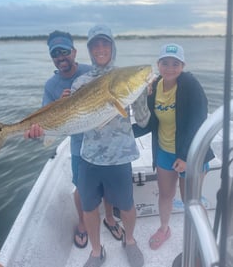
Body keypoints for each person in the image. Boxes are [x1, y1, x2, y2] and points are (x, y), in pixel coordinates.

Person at [25, 30, 124, 249]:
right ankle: (82, 222)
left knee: (107, 187)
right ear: (52, 57)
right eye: (55, 53)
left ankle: (109, 218)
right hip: (78, 145)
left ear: (74, 52)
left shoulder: (92, 73)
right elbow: (45, 121)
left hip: (101, 143)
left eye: (65, 51)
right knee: (81, 187)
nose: (61, 57)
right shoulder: (51, 85)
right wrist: (39, 129)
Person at [71, 25, 149, 267]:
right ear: (90, 49)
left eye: (105, 44)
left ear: (112, 47)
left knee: (126, 206)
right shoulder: (81, 82)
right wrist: (44, 129)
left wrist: (141, 96)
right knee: (89, 208)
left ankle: (130, 241)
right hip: (90, 158)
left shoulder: (125, 77)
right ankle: (96, 251)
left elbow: (144, 120)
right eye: (95, 45)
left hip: (120, 156)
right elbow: (74, 122)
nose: (100, 49)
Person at [133, 43, 214, 250]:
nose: (170, 68)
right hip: (164, 151)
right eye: (165, 63)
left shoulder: (190, 84)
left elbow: (199, 120)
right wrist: (125, 133)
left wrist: (187, 156)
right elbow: (152, 122)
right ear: (158, 65)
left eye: (175, 63)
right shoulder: (154, 86)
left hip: (192, 152)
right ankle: (164, 228)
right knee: (166, 195)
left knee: (191, 200)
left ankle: (201, 238)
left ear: (182, 65)